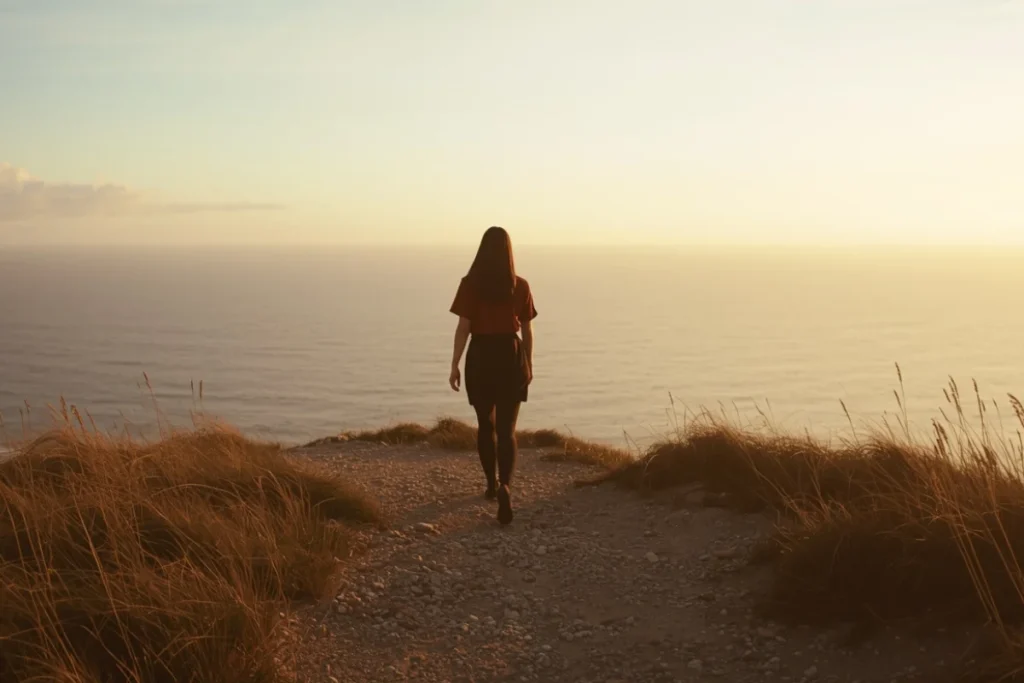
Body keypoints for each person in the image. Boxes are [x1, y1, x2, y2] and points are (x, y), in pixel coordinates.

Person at [448, 226, 537, 525]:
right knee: (507, 429)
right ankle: (505, 485)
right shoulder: (520, 286)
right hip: (510, 354)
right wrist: (529, 362)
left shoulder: (470, 285)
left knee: (486, 425)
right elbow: (526, 329)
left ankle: (489, 485)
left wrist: (454, 364)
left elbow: (463, 327)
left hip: (481, 355)